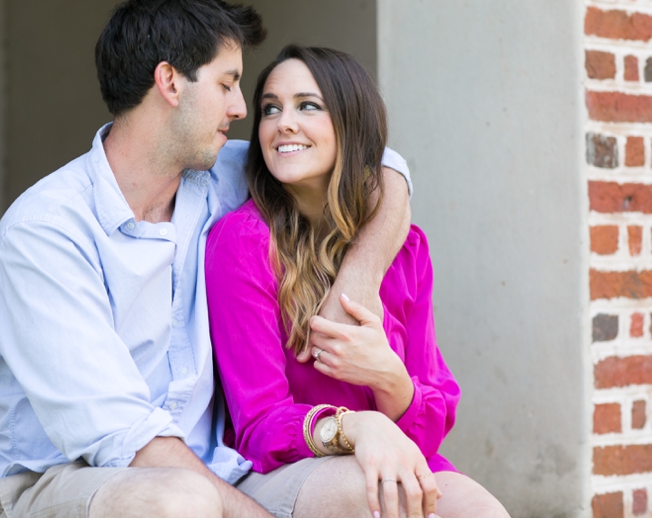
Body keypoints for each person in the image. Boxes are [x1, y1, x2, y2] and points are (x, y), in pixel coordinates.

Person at [0, 0, 415, 518]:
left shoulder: (222, 175)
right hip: (70, 478)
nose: (241, 107)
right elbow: (124, 437)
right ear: (169, 83)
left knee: (370, 489)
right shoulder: (46, 232)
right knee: (179, 502)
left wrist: (358, 276)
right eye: (227, 83)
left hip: (217, 470)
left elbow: (381, 169)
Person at [206, 45, 510, 517]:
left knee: (480, 512)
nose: (283, 122)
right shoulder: (242, 244)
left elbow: (431, 415)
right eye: (271, 108)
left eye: (308, 105)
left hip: (395, 455)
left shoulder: (405, 248)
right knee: (387, 495)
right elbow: (259, 426)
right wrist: (356, 427)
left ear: (351, 123)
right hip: (282, 469)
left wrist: (388, 377)